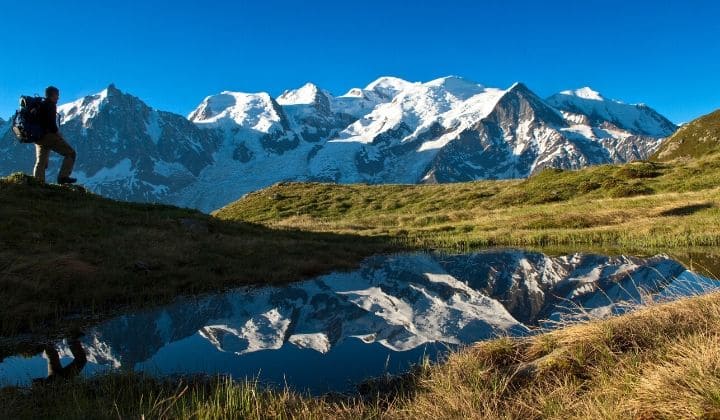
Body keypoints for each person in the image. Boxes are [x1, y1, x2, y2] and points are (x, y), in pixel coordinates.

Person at [34, 86, 77, 184]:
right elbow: (51, 124)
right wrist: (58, 133)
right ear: (52, 95)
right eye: (57, 95)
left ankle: (38, 183)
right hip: (48, 136)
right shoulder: (51, 105)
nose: (58, 98)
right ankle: (63, 177)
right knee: (71, 153)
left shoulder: (40, 104)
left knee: (41, 161)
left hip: (38, 137)